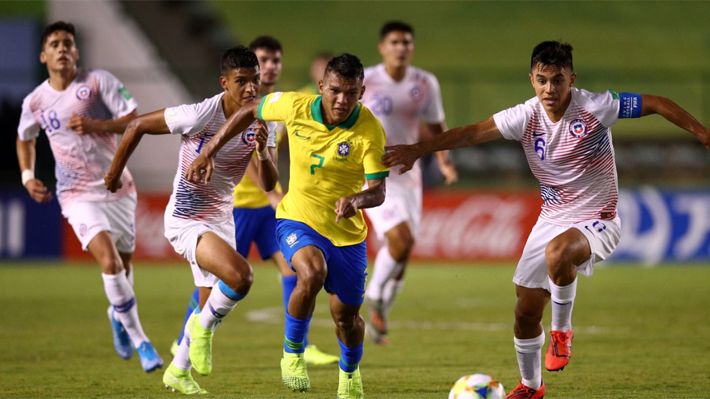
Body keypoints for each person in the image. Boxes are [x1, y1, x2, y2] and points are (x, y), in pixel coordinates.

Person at [382, 41, 710, 399]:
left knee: (558, 254)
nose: (549, 89)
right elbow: (474, 132)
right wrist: (418, 149)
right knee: (524, 312)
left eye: (557, 80)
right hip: (552, 218)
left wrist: (703, 133)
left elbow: (659, 103)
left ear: (572, 79)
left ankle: (561, 333)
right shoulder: (525, 116)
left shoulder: (598, 106)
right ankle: (531, 387)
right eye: (542, 80)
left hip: (599, 218)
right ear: (532, 80)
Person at [185, 54, 389, 399]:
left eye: (351, 93)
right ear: (322, 86)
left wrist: (357, 200)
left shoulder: (369, 130)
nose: (342, 100)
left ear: (362, 92)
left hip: (347, 235)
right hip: (297, 217)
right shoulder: (293, 105)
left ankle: (350, 373)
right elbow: (249, 111)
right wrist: (208, 151)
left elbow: (379, 191)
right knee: (310, 272)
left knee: (347, 319)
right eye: (335, 90)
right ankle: (292, 354)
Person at [104, 45, 278, 394]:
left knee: (210, 302)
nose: (250, 89)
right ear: (224, 83)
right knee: (241, 277)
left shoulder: (264, 119)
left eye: (254, 81)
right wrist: (113, 174)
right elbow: (137, 125)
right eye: (241, 81)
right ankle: (201, 330)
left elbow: (269, 183)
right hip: (186, 218)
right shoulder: (198, 114)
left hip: (222, 218)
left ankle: (178, 372)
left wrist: (262, 151)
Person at [169, 36, 339, 365]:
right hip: (240, 206)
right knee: (218, 279)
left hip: (268, 209)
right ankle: (184, 343)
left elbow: (267, 152)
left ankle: (299, 346)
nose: (272, 66)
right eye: (265, 60)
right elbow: (241, 154)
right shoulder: (241, 105)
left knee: (294, 270)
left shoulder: (276, 104)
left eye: (276, 61)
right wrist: (272, 192)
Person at [16, 21, 163, 372]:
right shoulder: (35, 100)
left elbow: (135, 121)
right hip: (75, 194)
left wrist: (97, 125)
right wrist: (27, 177)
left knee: (124, 270)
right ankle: (143, 342)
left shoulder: (98, 82)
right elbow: (25, 137)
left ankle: (117, 313)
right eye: (55, 44)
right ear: (44, 55)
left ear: (76, 51)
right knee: (110, 264)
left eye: (68, 43)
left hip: (118, 187)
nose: (62, 48)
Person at [361, 21, 458, 345]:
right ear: (382, 48)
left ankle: (379, 318)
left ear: (412, 47)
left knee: (403, 252)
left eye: (406, 42)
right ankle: (373, 298)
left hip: (409, 176)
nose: (401, 47)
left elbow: (436, 125)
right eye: (394, 42)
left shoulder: (425, 82)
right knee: (400, 241)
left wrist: (443, 161)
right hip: (372, 174)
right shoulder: (366, 80)